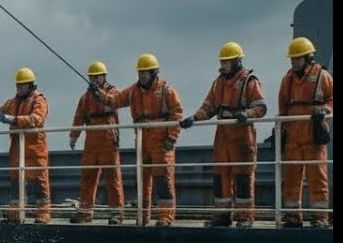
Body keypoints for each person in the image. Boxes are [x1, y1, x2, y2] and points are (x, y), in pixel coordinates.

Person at [179, 42, 267, 227]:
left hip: (242, 135)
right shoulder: (218, 83)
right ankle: (222, 216)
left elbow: (261, 107)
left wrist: (247, 114)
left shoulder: (249, 81)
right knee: (220, 176)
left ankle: (244, 217)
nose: (223, 65)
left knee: (243, 177)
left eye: (227, 62)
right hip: (222, 136)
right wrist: (194, 118)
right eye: (223, 62)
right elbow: (209, 106)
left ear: (237, 61)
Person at [90, 53, 183, 226]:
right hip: (142, 139)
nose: (141, 75)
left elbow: (176, 113)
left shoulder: (166, 91)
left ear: (154, 72)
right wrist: (99, 95)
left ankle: (166, 217)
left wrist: (172, 137)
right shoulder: (133, 91)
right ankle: (143, 217)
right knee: (142, 179)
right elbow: (114, 101)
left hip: (161, 140)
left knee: (163, 179)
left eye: (145, 72)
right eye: (140, 72)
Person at [0, 67, 51, 223]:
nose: (19, 88)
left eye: (22, 85)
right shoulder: (12, 102)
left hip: (34, 146)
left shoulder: (39, 100)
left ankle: (43, 214)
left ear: (30, 85)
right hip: (17, 146)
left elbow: (36, 119)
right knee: (16, 180)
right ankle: (16, 214)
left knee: (39, 180)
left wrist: (12, 120)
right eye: (18, 85)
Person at [277, 36, 334, 228]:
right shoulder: (287, 80)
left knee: (317, 177)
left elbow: (332, 100)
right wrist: (282, 133)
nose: (294, 63)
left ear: (308, 58)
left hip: (313, 135)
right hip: (293, 135)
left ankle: (320, 217)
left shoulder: (322, 77)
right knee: (291, 178)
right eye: (292, 60)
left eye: (297, 59)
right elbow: (283, 108)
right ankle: (292, 217)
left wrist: (325, 110)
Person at [68, 61, 125, 224]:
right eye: (91, 77)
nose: (93, 79)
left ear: (103, 76)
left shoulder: (112, 91)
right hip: (91, 137)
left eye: (96, 76)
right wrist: (74, 135)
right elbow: (79, 116)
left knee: (112, 176)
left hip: (108, 136)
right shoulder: (85, 97)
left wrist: (99, 94)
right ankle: (85, 212)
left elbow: (112, 104)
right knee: (87, 176)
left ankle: (116, 213)